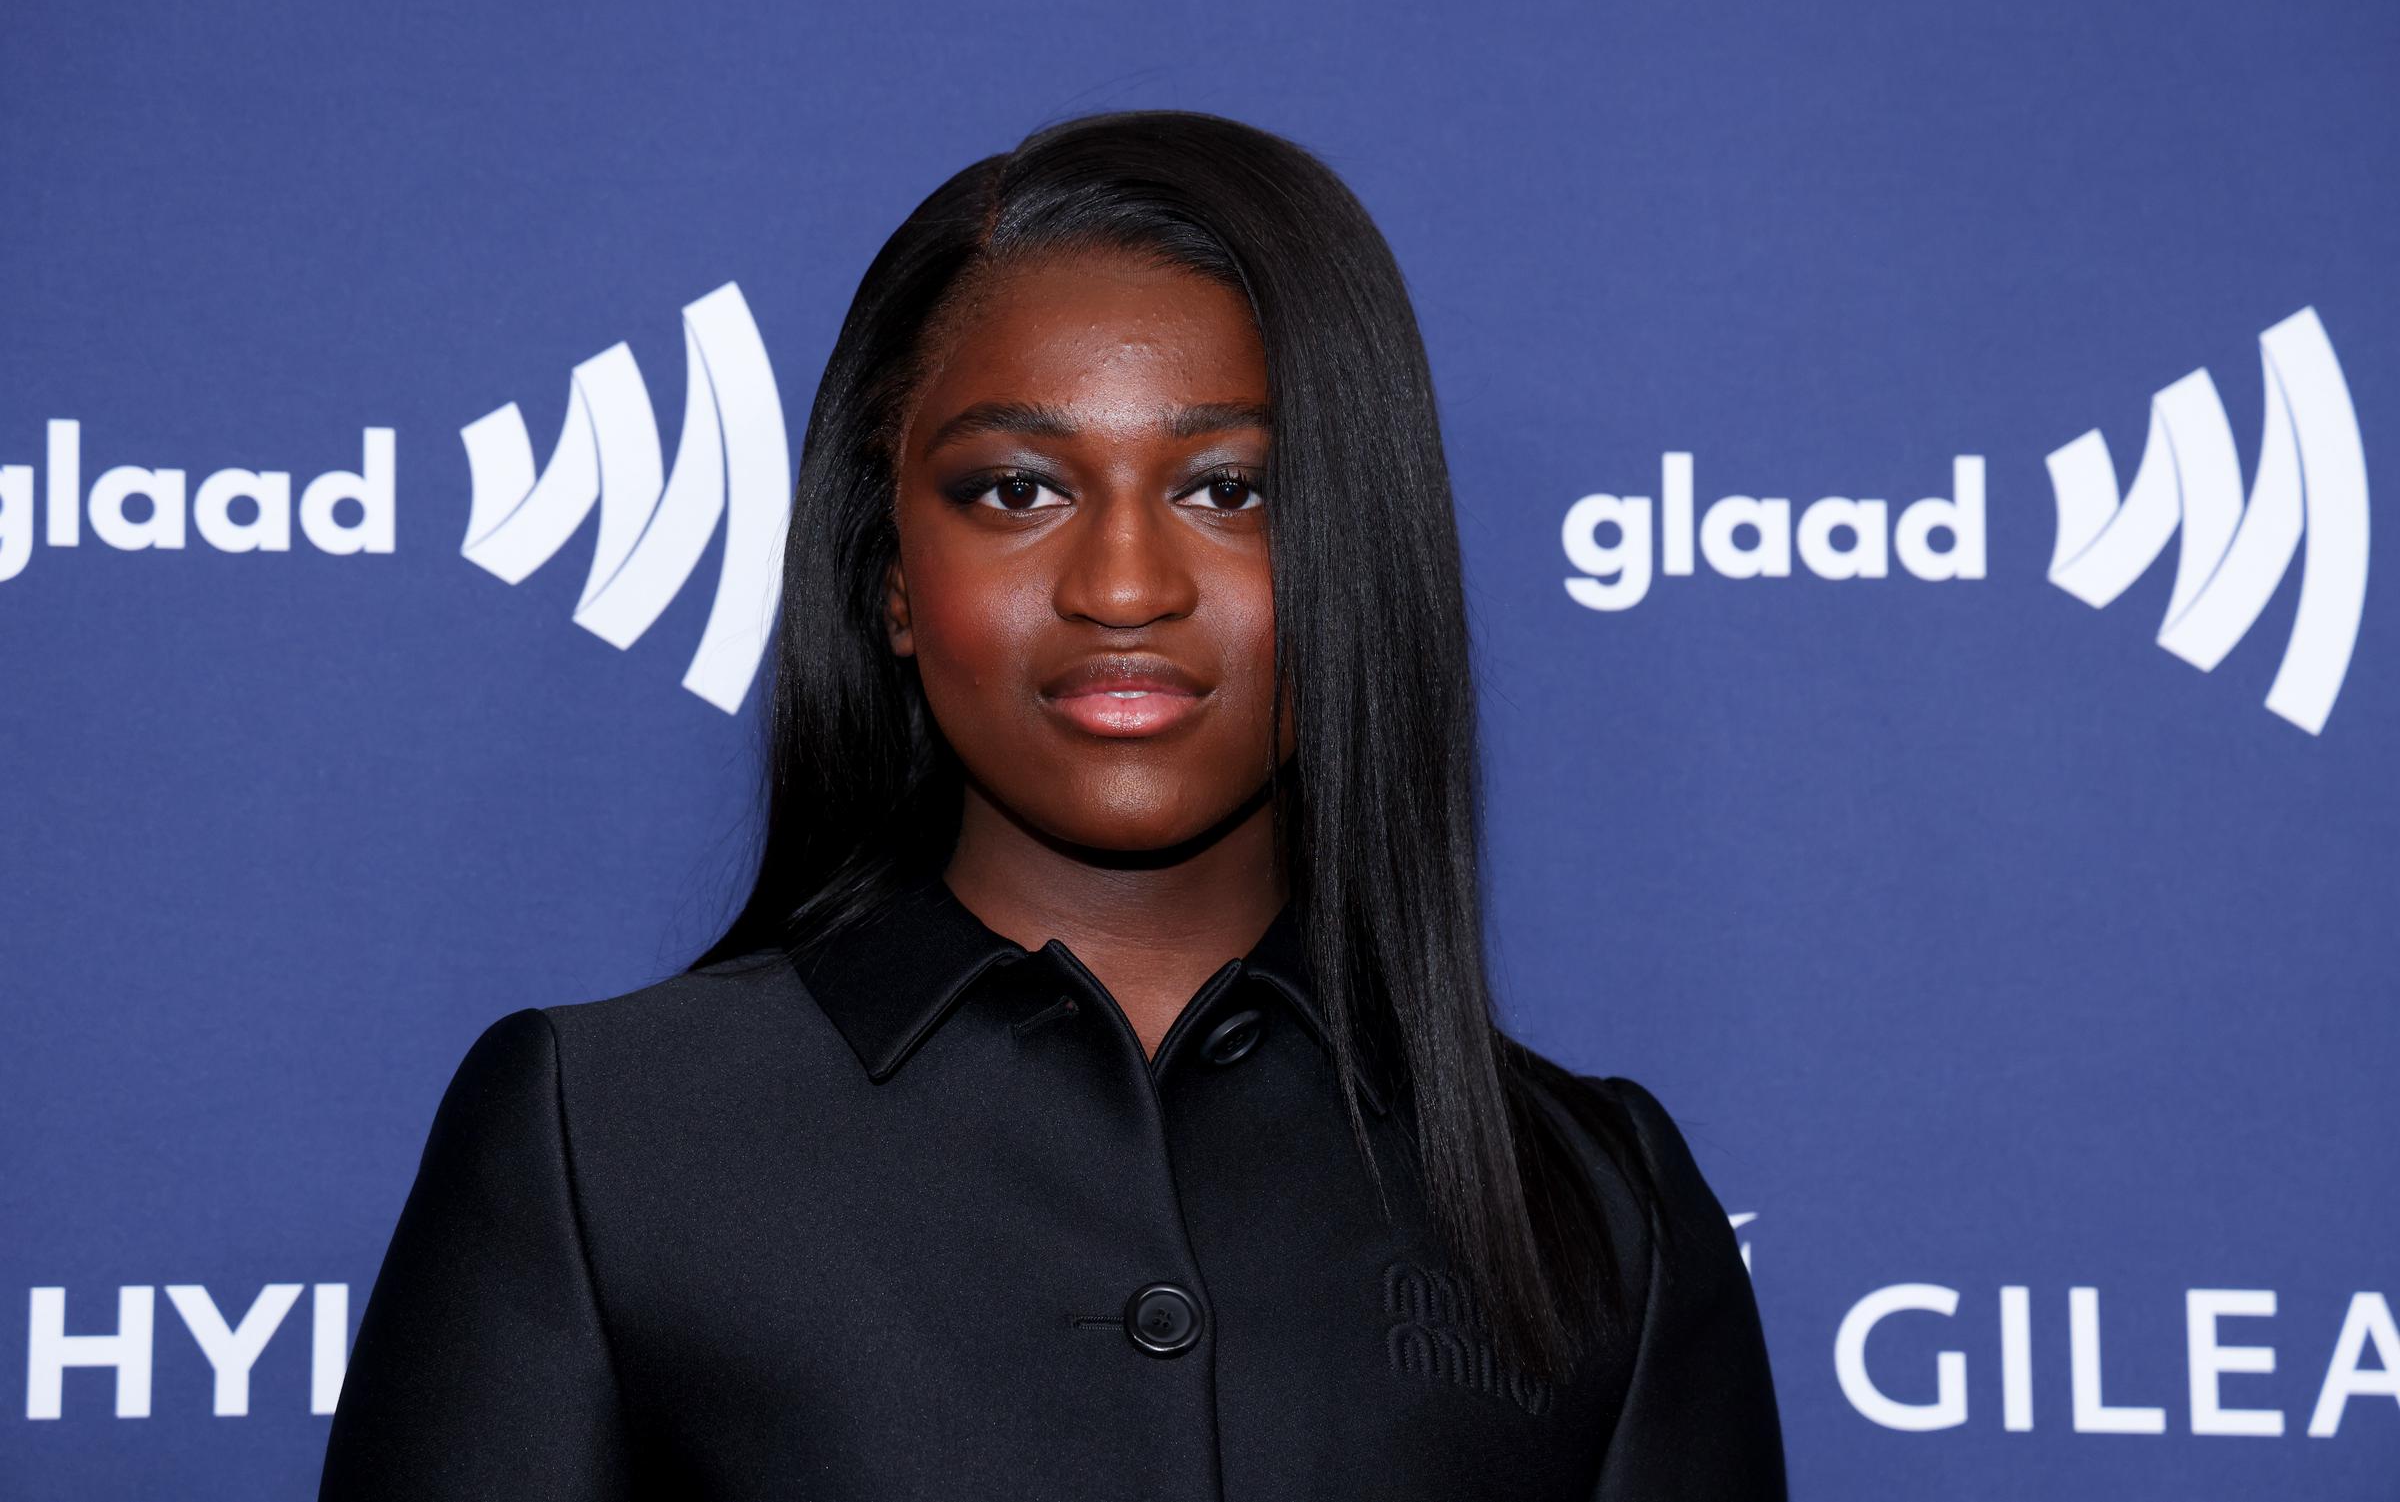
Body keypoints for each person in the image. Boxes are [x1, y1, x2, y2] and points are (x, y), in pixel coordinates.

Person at [318, 110, 1787, 1500]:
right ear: (889, 575)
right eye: (1016, 490)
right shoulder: (600, 1140)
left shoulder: (1604, 1215)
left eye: (1229, 487)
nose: (1124, 585)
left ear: (1356, 555)